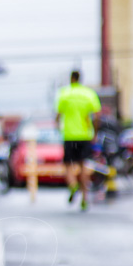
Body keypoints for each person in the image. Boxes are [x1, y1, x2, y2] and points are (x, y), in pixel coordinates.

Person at [55, 70, 101, 211]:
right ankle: (85, 198)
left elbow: (58, 115)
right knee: (84, 166)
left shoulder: (64, 93)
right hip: (85, 135)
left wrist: (58, 128)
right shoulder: (88, 94)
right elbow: (97, 116)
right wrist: (95, 133)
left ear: (71, 79)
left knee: (68, 165)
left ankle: (73, 185)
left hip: (69, 135)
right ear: (80, 79)